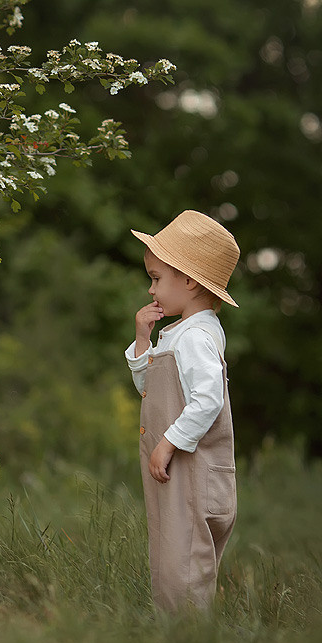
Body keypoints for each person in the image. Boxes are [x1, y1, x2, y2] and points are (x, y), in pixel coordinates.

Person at [125, 209, 240, 613]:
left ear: (189, 280)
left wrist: (169, 442)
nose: (151, 289)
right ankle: (177, 641)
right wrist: (143, 341)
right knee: (174, 558)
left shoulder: (195, 338)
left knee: (183, 568)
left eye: (157, 278)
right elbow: (149, 390)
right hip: (180, 474)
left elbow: (209, 400)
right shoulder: (180, 334)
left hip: (190, 473)